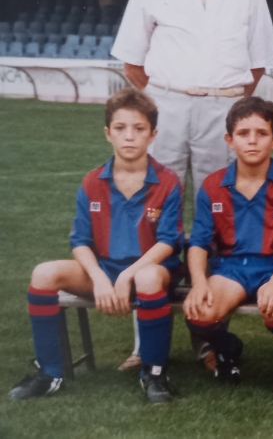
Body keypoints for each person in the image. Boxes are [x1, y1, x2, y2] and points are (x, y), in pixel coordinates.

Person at [9, 89, 184, 403]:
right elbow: (80, 241)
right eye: (120, 128)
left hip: (148, 274)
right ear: (107, 133)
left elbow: (168, 242)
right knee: (44, 273)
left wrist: (127, 275)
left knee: (147, 277)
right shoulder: (93, 182)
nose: (129, 136)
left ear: (152, 135)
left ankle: (154, 373)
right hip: (104, 272)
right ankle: (50, 373)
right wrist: (100, 278)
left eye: (139, 128)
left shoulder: (168, 181)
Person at [112, 0, 273, 190]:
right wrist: (164, 99)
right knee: (159, 195)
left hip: (225, 109)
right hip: (166, 109)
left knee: (220, 197)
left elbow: (257, 63)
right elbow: (132, 65)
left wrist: (227, 99)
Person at [184, 97, 273, 389]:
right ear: (229, 140)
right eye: (243, 133)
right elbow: (199, 242)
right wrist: (199, 284)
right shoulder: (213, 185)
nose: (252, 141)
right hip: (230, 270)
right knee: (199, 312)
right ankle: (227, 346)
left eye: (261, 133)